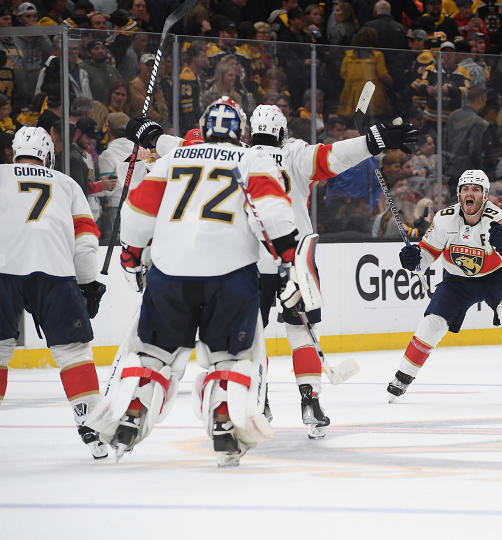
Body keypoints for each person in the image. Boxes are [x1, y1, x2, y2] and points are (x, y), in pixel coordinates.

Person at [89, 98, 300, 466]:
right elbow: (272, 212)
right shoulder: (252, 159)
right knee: (231, 357)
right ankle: (224, 421)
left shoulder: (175, 158)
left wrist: (132, 253)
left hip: (170, 273)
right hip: (231, 273)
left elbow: (137, 210)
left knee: (152, 351)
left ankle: (133, 408)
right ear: (241, 132)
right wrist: (286, 257)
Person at [248, 104, 417, 437]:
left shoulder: (239, 158)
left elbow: (187, 151)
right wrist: (374, 141)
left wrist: (153, 139)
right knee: (302, 331)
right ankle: (310, 402)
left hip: (250, 256)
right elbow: (333, 156)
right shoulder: (294, 153)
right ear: (281, 133)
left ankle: (258, 400)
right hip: (295, 255)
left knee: (251, 331)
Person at [0, 127, 109, 460]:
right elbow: (86, 244)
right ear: (48, 156)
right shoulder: (65, 183)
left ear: (14, 152)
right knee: (73, 351)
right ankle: (91, 424)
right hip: (55, 272)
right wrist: (88, 284)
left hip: (3, 269)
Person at [388, 170, 502, 403]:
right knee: (432, 324)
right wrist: (414, 259)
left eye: (475, 189)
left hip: (497, 276)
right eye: (465, 189)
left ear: (485, 195)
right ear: (459, 193)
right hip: (457, 281)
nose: (469, 193)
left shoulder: (500, 219)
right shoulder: (444, 218)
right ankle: (402, 377)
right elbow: (425, 257)